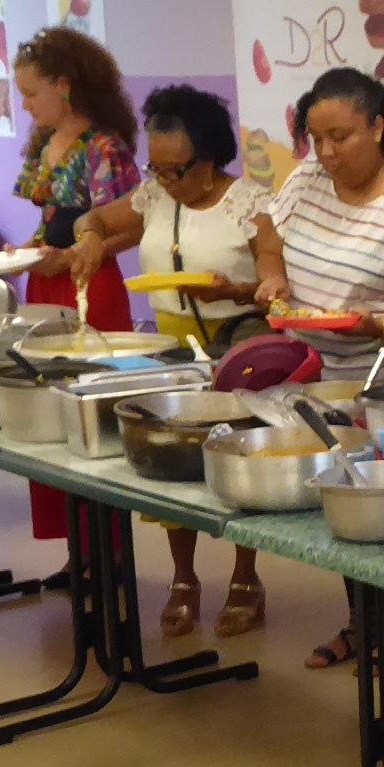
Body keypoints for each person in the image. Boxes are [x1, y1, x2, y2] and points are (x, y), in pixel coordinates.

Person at [50, 84, 273, 639]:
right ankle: (183, 578)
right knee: (170, 459)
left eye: (178, 169)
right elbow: (92, 219)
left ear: (210, 159)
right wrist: (89, 239)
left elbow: (276, 284)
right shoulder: (154, 197)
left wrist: (235, 290)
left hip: (239, 341)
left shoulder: (249, 203)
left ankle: (246, 577)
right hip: (172, 343)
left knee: (236, 461)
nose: (166, 180)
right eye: (157, 167)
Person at [255, 67, 384, 668]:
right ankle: (361, 627)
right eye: (316, 138)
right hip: (332, 374)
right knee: (350, 500)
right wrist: (273, 278)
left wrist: (383, 325)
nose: (326, 152)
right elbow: (269, 234)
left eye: (340, 137)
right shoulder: (309, 179)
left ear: (378, 127)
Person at [10, 27, 140, 544]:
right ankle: (74, 549)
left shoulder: (104, 148)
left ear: (64, 86)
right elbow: (50, 222)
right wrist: (29, 251)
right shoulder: (43, 145)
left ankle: (103, 549)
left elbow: (135, 224)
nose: (25, 106)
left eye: (31, 93)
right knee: (47, 411)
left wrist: (80, 253)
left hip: (90, 283)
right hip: (46, 285)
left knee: (90, 412)